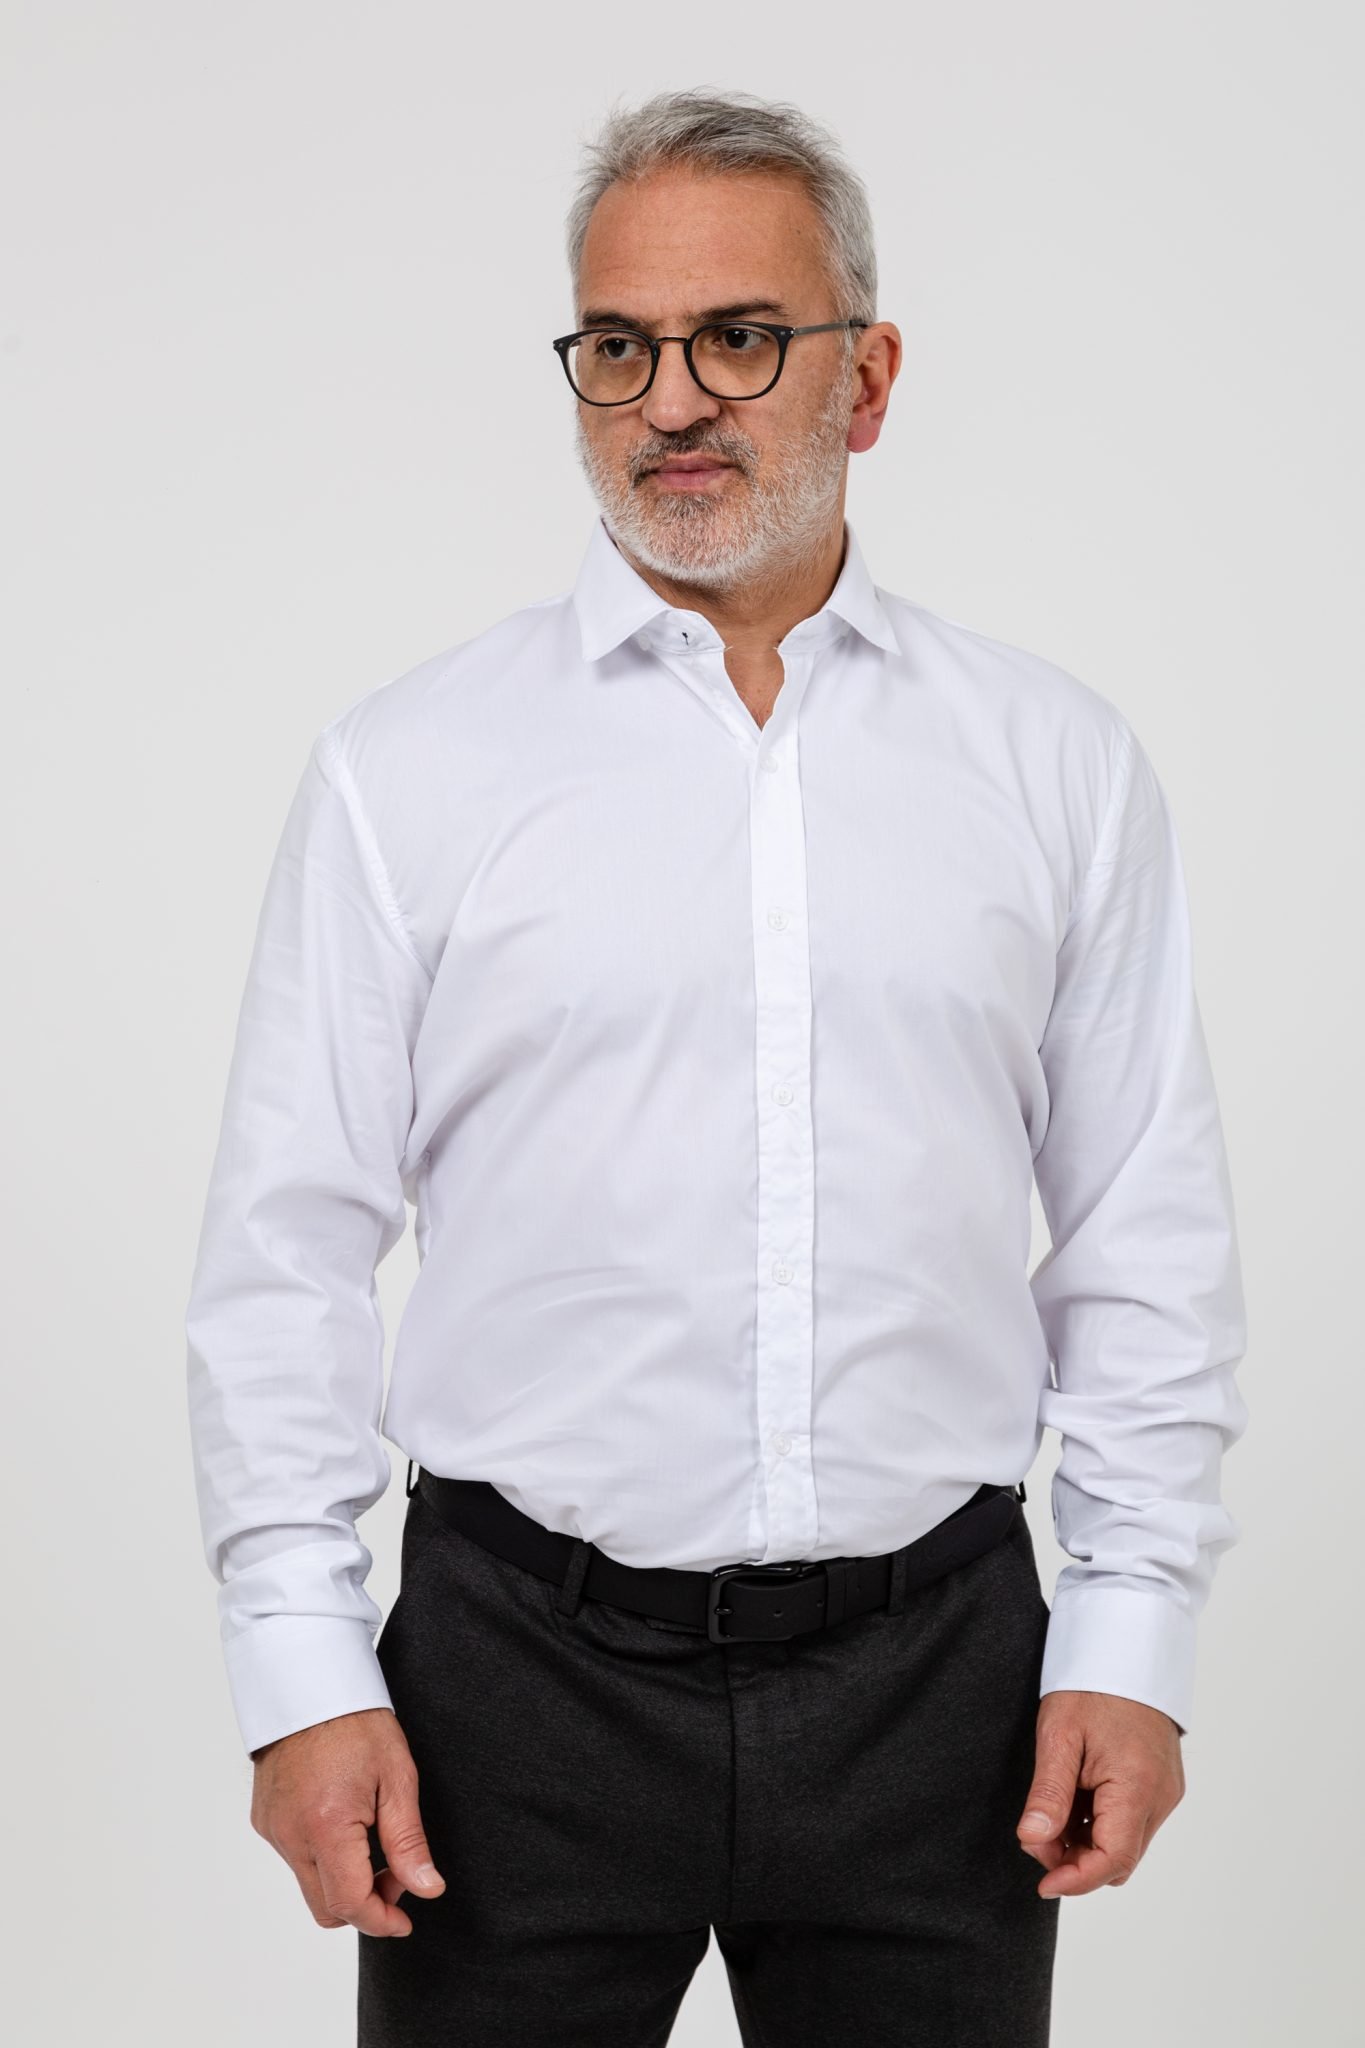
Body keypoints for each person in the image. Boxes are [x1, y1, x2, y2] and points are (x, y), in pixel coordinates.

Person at [185, 86, 1249, 2048]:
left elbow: (1140, 1233)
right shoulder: (406, 772)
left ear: (869, 376)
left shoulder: (1052, 766)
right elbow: (286, 1248)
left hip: (938, 1687)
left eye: (739, 337)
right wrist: (300, 1670)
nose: (670, 399)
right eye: (617, 346)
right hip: (511, 1685)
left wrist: (1130, 1631)